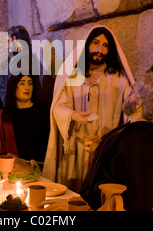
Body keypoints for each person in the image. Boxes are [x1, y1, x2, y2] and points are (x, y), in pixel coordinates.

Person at [40, 72, 153, 211]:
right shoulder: (133, 131)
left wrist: (79, 206)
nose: (128, 93)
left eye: (133, 91)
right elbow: (116, 167)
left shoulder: (140, 138)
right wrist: (98, 148)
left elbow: (129, 191)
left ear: (138, 103)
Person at [42, 26, 135, 192]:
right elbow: (58, 105)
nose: (100, 49)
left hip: (103, 149)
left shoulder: (119, 80)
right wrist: (72, 114)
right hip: (75, 147)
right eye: (96, 43)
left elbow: (132, 111)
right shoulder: (71, 75)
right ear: (86, 45)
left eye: (106, 45)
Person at [0, 74, 50, 162]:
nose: (27, 87)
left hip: (41, 167)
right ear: (13, 87)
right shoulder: (3, 116)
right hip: (12, 168)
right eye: (22, 84)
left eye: (30, 83)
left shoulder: (45, 110)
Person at [0, 25, 41, 115]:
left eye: (8, 41)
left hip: (18, 113)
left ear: (14, 39)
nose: (8, 46)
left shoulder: (19, 59)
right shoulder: (32, 57)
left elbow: (8, 91)